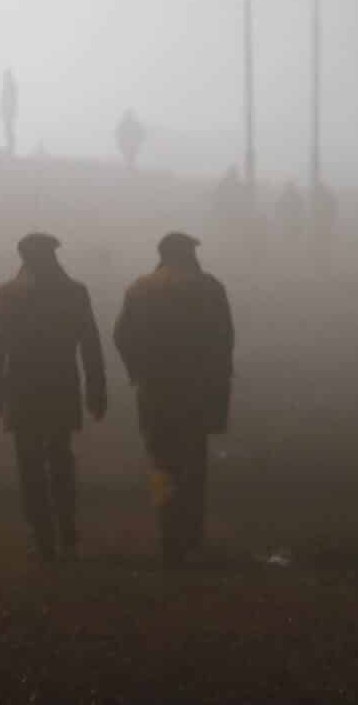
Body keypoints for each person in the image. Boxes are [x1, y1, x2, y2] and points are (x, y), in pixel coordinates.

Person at [0, 232, 108, 562]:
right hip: (61, 385)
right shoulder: (73, 293)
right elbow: (90, 344)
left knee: (30, 463)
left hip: (22, 387)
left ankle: (42, 537)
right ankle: (66, 531)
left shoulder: (8, 294)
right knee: (60, 458)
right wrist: (96, 389)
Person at [113, 232, 234, 565]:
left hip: (155, 390)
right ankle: (192, 534)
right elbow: (224, 342)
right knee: (194, 463)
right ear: (189, 254)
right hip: (196, 391)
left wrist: (138, 371)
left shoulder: (140, 288)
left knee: (161, 462)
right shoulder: (209, 288)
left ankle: (168, 534)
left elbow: (121, 336)